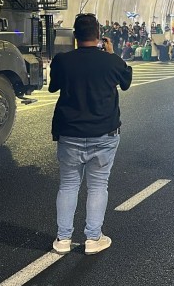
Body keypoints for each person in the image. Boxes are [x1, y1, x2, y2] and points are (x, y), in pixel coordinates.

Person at [49, 13, 133, 255]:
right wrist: (111, 53)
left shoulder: (63, 61)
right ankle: (93, 238)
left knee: (68, 185)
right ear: (99, 36)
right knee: (97, 186)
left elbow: (53, 86)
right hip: (103, 134)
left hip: (69, 133)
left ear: (75, 36)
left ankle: (63, 239)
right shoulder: (111, 61)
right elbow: (126, 82)